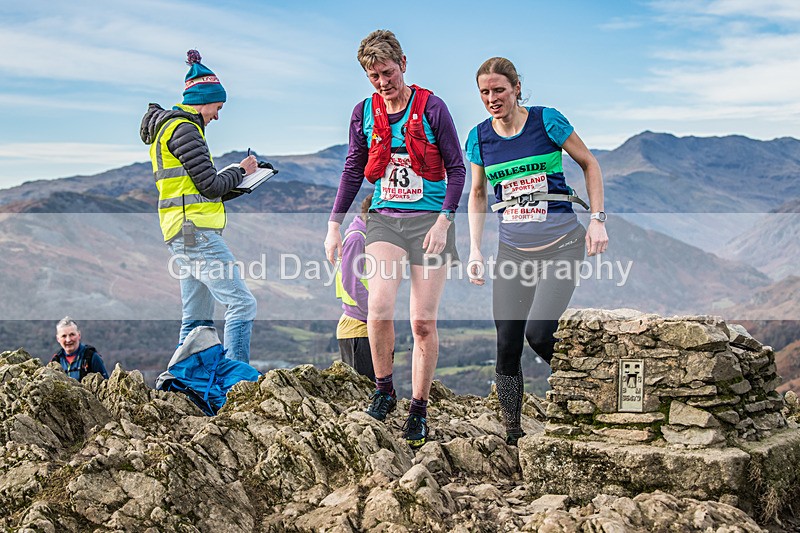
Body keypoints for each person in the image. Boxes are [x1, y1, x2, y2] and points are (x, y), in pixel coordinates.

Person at [324, 30, 466, 449]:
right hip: (385, 218)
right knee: (380, 308)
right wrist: (334, 224)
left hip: (430, 222)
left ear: (403, 63)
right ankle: (384, 390)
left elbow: (457, 169)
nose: (382, 82)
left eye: (387, 72)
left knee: (422, 322)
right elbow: (353, 169)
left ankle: (419, 409)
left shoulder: (433, 108)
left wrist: (444, 222)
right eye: (373, 76)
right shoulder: (363, 113)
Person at [465, 57, 608, 445]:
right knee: (507, 343)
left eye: (499, 90)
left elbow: (589, 163)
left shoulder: (547, 121)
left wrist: (597, 219)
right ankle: (513, 432)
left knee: (541, 334)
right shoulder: (479, 138)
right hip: (513, 253)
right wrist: (475, 250)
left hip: (562, 245)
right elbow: (478, 194)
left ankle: (594, 387)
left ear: (516, 89)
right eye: (485, 93)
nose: (492, 99)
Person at [140, 50, 258, 363]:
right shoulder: (184, 129)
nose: (217, 116)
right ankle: (236, 382)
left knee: (196, 320)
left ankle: (180, 383)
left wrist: (241, 184)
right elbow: (210, 186)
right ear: (204, 100)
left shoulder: (172, 129)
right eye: (217, 108)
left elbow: (200, 190)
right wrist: (243, 171)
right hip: (196, 234)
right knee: (242, 304)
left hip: (183, 232)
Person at [335, 194, 376, 381]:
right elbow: (351, 282)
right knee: (363, 394)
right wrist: (375, 314)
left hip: (365, 325)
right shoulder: (357, 239)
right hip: (358, 327)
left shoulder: (366, 237)